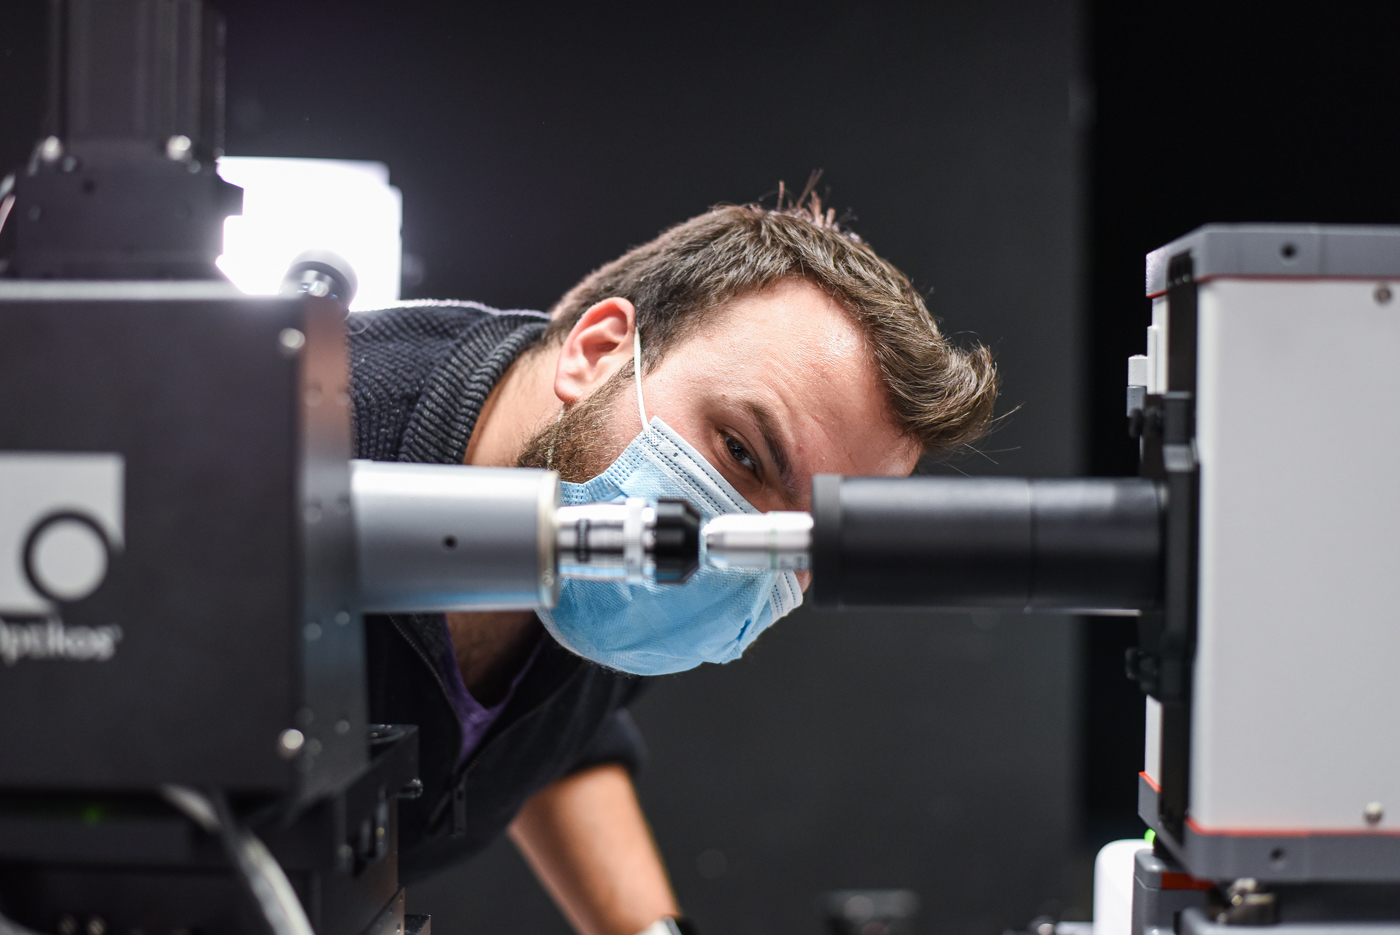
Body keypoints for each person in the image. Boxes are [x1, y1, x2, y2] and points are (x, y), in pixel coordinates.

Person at [348, 191, 998, 935]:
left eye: (812, 537)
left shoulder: (596, 513)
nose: (745, 549)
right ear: (597, 354)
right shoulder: (297, 447)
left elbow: (557, 733)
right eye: (743, 453)